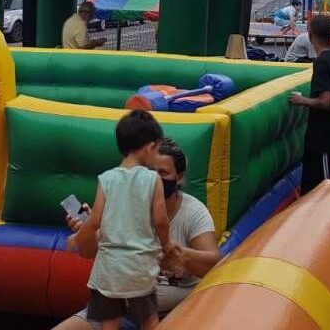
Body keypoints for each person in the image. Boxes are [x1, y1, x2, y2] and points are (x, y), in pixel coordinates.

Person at [56, 139, 223, 330]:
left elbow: (216, 265)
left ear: (180, 177)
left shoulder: (192, 212)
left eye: (163, 173)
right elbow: (91, 253)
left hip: (174, 314)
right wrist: (89, 230)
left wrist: (177, 254)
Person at [67, 110, 179, 330]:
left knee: (110, 322)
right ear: (150, 147)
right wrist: (167, 245)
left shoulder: (106, 179)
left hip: (109, 270)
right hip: (139, 267)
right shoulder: (152, 179)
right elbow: (160, 220)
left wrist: (78, 238)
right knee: (149, 320)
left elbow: (95, 220)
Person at [288, 15, 330, 194]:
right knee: (312, 187)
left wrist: (301, 100)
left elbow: (326, 102)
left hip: (321, 139)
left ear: (310, 35)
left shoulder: (322, 63)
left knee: (322, 189)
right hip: (329, 135)